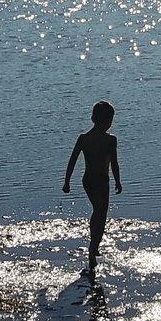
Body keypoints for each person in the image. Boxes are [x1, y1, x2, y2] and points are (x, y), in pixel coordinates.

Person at [63, 100, 122, 271]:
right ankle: (94, 246)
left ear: (93, 118)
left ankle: (94, 243)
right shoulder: (110, 140)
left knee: (97, 211)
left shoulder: (84, 139)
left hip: (88, 180)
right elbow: (114, 164)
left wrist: (67, 181)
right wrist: (118, 181)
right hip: (101, 180)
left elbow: (72, 161)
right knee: (100, 213)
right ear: (108, 121)